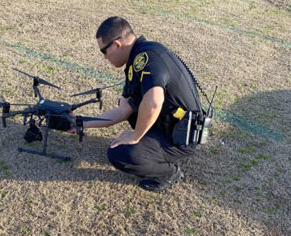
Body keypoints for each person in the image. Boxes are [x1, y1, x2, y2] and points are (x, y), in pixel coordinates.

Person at [83, 16, 204, 192]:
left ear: (117, 45)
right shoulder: (139, 57)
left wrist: (136, 136)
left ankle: (168, 173)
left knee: (120, 155)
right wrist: (82, 122)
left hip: (182, 136)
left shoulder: (146, 59)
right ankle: (152, 147)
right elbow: (124, 110)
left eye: (103, 51)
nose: (104, 57)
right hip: (172, 125)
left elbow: (154, 102)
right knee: (131, 106)